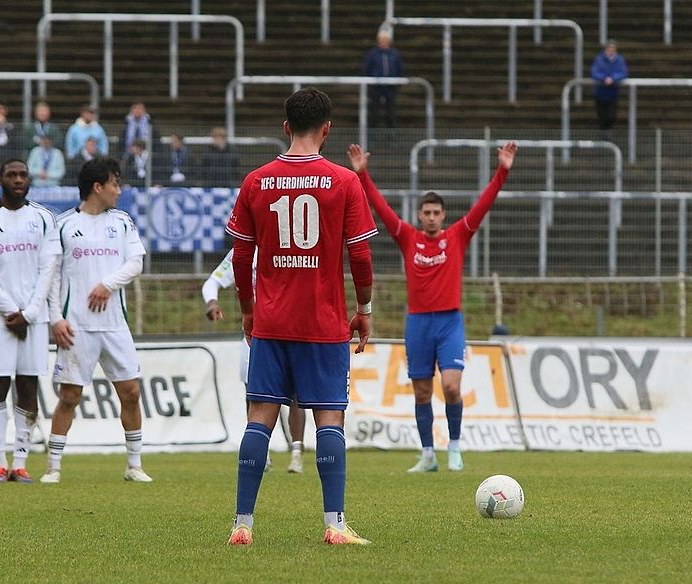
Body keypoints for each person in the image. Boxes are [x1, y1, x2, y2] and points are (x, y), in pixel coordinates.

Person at [225, 88, 378, 546]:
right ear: (327, 129)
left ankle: (242, 525)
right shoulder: (344, 182)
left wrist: (249, 312)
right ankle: (334, 524)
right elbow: (362, 256)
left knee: (259, 418)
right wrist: (363, 309)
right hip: (323, 323)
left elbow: (239, 257)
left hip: (272, 321)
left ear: (285, 126)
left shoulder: (256, 180)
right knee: (329, 420)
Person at [347, 140, 517, 473]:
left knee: (451, 386)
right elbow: (381, 210)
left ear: (443, 216)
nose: (431, 217)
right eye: (426, 212)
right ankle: (428, 454)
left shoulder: (457, 236)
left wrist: (502, 171)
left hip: (449, 323)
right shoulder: (408, 237)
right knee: (422, 392)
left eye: (436, 212)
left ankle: (454, 447)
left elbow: (483, 205)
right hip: (418, 324)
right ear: (420, 215)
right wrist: (363, 176)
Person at [41, 157, 151, 484]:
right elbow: (53, 277)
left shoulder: (122, 221)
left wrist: (108, 285)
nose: (119, 190)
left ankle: (134, 465)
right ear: (98, 187)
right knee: (70, 396)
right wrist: (55, 319)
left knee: (130, 392)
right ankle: (53, 467)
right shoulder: (62, 225)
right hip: (77, 326)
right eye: (115, 183)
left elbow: (136, 263)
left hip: (115, 325)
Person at [0, 159, 60, 483]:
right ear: (1, 180)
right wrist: (9, 309)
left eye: (23, 175)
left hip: (34, 317)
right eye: (11, 174)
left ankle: (20, 463)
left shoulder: (44, 218)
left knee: (28, 385)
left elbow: (49, 267)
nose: (18, 179)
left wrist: (31, 312)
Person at [202, 247, 308, 474]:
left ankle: (296, 454)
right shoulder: (243, 249)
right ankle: (263, 452)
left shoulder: (291, 244)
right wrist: (211, 302)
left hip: (292, 331)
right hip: (255, 336)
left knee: (296, 395)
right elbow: (212, 282)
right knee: (254, 394)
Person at [362, 28, 404, 129]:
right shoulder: (372, 54)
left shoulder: (395, 54)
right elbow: (366, 69)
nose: (383, 43)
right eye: (381, 41)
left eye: (386, 41)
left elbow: (400, 69)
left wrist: (397, 82)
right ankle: (372, 135)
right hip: (376, 87)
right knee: (373, 112)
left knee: (391, 113)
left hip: (390, 87)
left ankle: (391, 136)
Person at [591, 40, 629, 137]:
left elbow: (623, 72)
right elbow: (594, 72)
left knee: (611, 115)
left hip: (613, 92)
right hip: (600, 91)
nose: (611, 50)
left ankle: (607, 131)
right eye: (609, 48)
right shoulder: (599, 59)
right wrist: (604, 78)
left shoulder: (619, 60)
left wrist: (613, 79)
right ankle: (603, 132)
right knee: (601, 115)